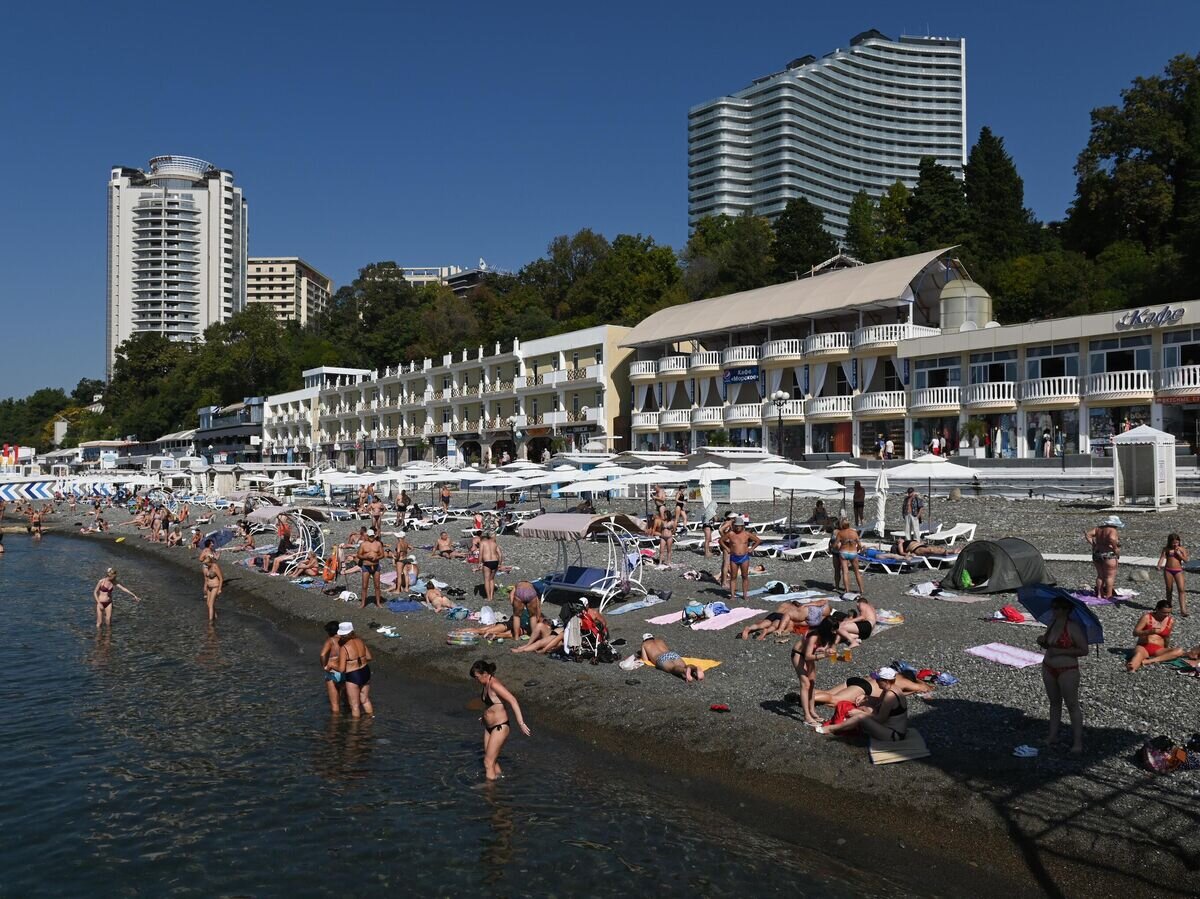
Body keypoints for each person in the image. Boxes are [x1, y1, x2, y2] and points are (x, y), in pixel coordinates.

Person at [1036, 595, 1087, 753]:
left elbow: (1084, 650)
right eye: (1054, 607)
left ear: (1067, 610)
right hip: (1048, 666)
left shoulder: (1073, 627)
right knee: (1054, 703)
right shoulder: (1052, 623)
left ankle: (1077, 742)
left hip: (1068, 669)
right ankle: (1052, 736)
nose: (1055, 610)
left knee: (1072, 705)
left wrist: (1059, 651)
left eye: (1059, 608)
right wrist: (1042, 641)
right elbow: (1048, 644)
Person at [469, 659, 531, 781]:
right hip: (489, 727)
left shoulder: (494, 684)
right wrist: (485, 716)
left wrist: (521, 722)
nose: (476, 680)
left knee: (487, 762)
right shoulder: (485, 684)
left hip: (500, 727)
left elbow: (512, 700)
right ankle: (499, 781)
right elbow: (491, 704)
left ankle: (489, 793)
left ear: (485, 673)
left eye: (477, 677)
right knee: (491, 759)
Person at [816, 667, 909, 740]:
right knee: (864, 707)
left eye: (878, 680)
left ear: (886, 681)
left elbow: (880, 719)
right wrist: (866, 696)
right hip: (890, 727)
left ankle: (832, 728)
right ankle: (845, 725)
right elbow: (879, 701)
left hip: (893, 734)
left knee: (860, 717)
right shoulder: (892, 688)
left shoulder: (890, 695)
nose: (876, 681)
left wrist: (860, 713)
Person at [791, 619, 838, 726]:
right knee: (805, 684)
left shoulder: (829, 636)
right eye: (833, 629)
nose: (835, 632)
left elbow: (832, 652)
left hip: (810, 656)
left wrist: (840, 658)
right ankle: (806, 717)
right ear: (826, 629)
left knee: (812, 683)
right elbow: (807, 656)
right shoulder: (814, 636)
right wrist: (824, 655)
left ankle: (812, 711)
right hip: (799, 654)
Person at [1127, 600, 1186, 672]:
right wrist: (1149, 631)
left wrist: (1167, 648)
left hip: (1158, 649)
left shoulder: (1170, 621)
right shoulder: (1147, 617)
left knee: (1179, 651)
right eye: (1164, 612)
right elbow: (1135, 633)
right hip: (1143, 646)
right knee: (1138, 656)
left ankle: (1150, 661)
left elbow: (1167, 637)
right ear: (1157, 609)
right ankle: (1132, 668)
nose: (1166, 615)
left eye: (1169, 612)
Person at [336, 622, 374, 718]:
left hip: (353, 675)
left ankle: (355, 730)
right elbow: (369, 657)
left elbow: (341, 669)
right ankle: (370, 719)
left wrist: (332, 665)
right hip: (365, 671)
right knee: (365, 700)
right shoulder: (360, 641)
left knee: (355, 706)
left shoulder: (344, 648)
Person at [720, 516, 761, 603]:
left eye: (739, 526)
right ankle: (732, 595)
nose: (738, 527)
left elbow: (758, 540)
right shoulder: (731, 534)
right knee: (733, 577)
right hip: (734, 557)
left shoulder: (747, 534)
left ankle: (745, 594)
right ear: (734, 526)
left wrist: (752, 548)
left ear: (742, 526)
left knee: (745, 576)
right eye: (736, 526)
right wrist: (727, 549)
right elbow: (721, 541)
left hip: (744, 557)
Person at [1084, 515, 1123, 600]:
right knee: (1110, 576)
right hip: (1109, 553)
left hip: (1097, 553)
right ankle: (1109, 595)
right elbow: (1112, 538)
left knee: (1100, 575)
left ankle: (1099, 594)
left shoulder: (1098, 529)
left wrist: (1094, 545)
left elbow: (1088, 535)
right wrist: (1115, 548)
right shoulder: (1112, 530)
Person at [1157, 533, 1189, 617]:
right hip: (1168, 570)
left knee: (1181, 589)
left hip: (1178, 570)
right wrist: (1159, 565)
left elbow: (1186, 560)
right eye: (1174, 543)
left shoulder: (1182, 549)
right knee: (1169, 589)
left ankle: (1183, 609)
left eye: (1177, 542)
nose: (1175, 544)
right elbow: (1162, 558)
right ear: (1170, 542)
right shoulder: (1166, 549)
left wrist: (1179, 554)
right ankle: (1168, 607)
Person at [831, 518, 865, 596]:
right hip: (853, 552)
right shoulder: (854, 532)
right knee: (857, 572)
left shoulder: (840, 533)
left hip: (843, 552)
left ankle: (847, 591)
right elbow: (859, 544)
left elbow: (836, 544)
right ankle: (861, 590)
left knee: (845, 572)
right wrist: (858, 549)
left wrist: (832, 546)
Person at [355, 528, 386, 609]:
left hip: (376, 566)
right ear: (367, 536)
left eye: (372, 536)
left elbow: (382, 555)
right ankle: (363, 603)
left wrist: (377, 557)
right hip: (366, 566)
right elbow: (359, 555)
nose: (372, 538)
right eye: (370, 536)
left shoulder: (378, 544)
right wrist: (366, 556)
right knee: (364, 586)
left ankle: (378, 603)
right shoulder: (363, 544)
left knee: (377, 586)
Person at [320, 621, 344, 713]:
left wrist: (325, 666)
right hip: (344, 670)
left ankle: (335, 725)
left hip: (333, 671)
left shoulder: (331, 641)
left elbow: (322, 655)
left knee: (335, 705)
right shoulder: (344, 639)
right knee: (346, 700)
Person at [479, 531, 502, 602]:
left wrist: (479, 563)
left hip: (487, 562)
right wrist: (500, 563)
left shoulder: (483, 542)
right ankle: (491, 596)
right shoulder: (494, 544)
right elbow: (500, 554)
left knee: (486, 580)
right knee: (491, 579)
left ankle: (488, 598)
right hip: (495, 562)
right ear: (492, 536)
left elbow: (481, 553)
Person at [202, 557, 223, 622]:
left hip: (215, 587)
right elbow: (206, 578)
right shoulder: (206, 567)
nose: (205, 565)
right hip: (209, 587)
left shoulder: (215, 567)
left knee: (211, 604)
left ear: (210, 562)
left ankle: (210, 621)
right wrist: (205, 587)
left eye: (206, 564)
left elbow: (221, 579)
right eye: (205, 564)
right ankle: (215, 616)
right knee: (208, 603)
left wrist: (219, 589)